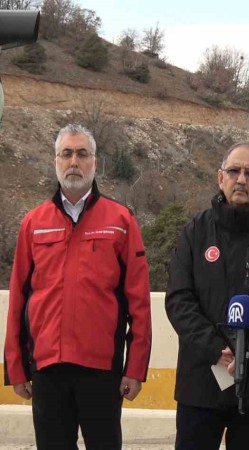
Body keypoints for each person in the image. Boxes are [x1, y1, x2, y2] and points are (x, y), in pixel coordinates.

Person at [3, 124, 152, 449]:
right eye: (66, 154)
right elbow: (18, 300)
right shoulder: (34, 223)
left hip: (102, 370)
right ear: (56, 161)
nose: (74, 162)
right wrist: (16, 367)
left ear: (94, 162)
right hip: (47, 369)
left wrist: (135, 368)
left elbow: (139, 303)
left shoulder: (121, 221)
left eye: (82, 154)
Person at [165, 142, 249, 450]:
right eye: (233, 171)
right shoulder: (196, 231)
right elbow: (179, 299)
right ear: (221, 178)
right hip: (200, 382)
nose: (241, 179)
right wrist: (216, 349)